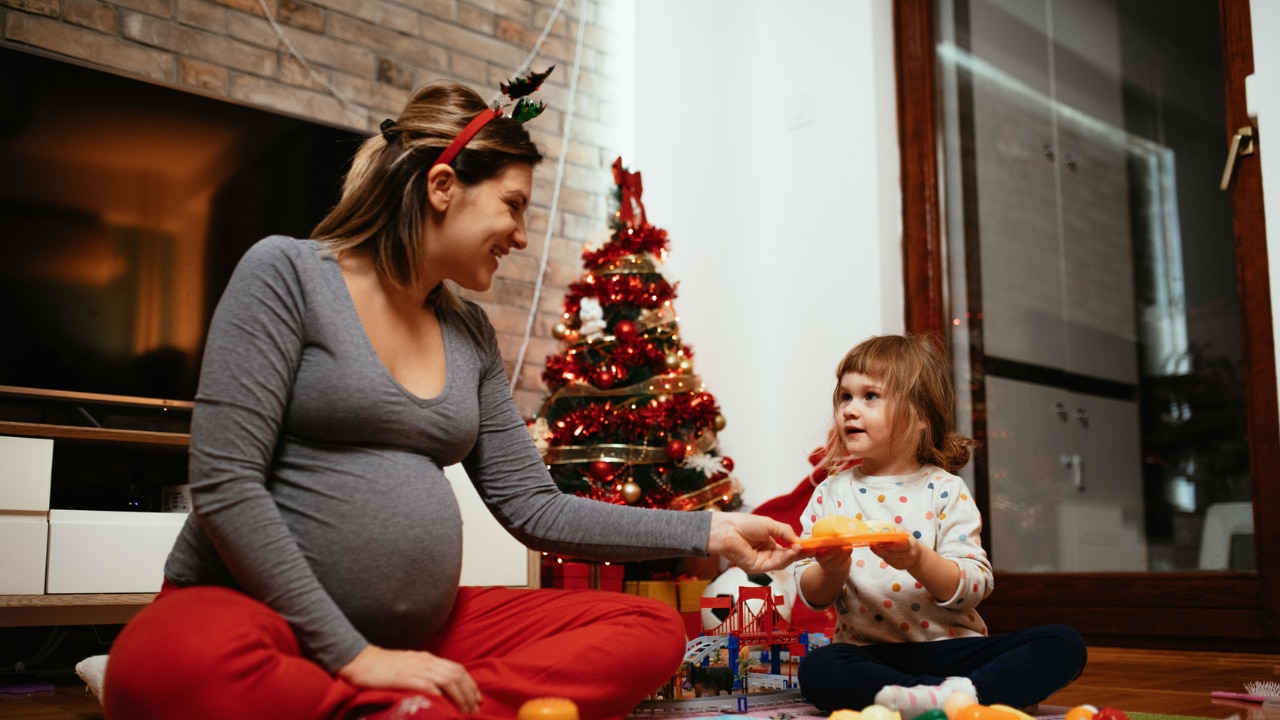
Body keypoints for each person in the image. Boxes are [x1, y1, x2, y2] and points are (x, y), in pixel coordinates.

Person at [101, 78, 801, 720]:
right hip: (255, 614)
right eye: (513, 206)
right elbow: (225, 485)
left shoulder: (466, 329)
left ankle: (399, 704)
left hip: (420, 634)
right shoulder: (287, 274)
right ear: (443, 186)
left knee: (645, 631)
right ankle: (390, 698)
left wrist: (711, 530)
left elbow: (532, 506)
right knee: (158, 664)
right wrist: (355, 655)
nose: (522, 236)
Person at [793, 334, 1086, 717]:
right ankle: (961, 700)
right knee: (819, 670)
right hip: (873, 655)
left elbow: (973, 587)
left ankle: (954, 694)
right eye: (845, 397)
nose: (850, 409)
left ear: (918, 416)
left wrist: (917, 558)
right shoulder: (829, 494)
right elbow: (811, 594)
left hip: (955, 651)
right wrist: (831, 571)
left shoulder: (945, 490)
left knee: (1063, 643)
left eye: (870, 396)